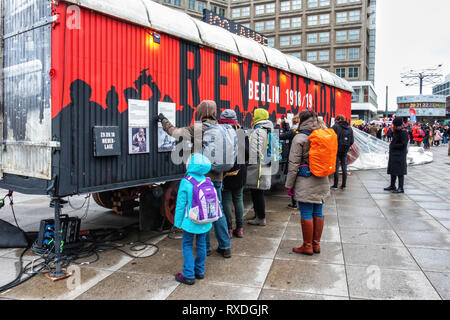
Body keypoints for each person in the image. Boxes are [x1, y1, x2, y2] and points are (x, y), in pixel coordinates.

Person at [157, 100, 232, 258]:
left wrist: (163, 120)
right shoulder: (221, 128)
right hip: (217, 178)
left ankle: (205, 248)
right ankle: (225, 247)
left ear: (200, 112)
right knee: (217, 212)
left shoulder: (199, 128)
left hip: (200, 179)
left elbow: (175, 133)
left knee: (200, 212)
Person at [285, 110, 330, 256]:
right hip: (322, 179)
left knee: (306, 212)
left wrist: (289, 185)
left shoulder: (300, 138)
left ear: (301, 120)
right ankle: (316, 245)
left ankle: (307, 245)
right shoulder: (322, 135)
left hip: (305, 181)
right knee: (318, 211)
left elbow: (293, 164)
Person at [174, 154, 213, 285]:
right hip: (205, 220)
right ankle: (199, 271)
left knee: (187, 245)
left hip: (190, 221)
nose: (186, 162)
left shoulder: (186, 182)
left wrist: (177, 222)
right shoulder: (208, 180)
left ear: (192, 165)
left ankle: (188, 275)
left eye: (188, 160)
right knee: (202, 245)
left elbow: (180, 205)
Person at [219, 109, 248, 238]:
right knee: (238, 199)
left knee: (226, 200)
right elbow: (247, 154)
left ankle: (229, 229)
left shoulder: (219, 132)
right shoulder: (241, 132)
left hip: (225, 172)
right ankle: (240, 228)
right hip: (240, 171)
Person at [246, 108, 273, 227]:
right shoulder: (268, 129)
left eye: (254, 115)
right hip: (266, 163)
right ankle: (258, 214)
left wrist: (248, 160)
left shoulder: (259, 130)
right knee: (258, 190)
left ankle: (261, 218)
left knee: (257, 191)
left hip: (258, 165)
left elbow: (255, 150)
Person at [280, 115, 300, 209]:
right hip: (303, 160)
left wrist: (277, 125)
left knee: (293, 180)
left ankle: (294, 202)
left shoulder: (293, 132)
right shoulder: (304, 132)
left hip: (293, 158)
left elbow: (281, 136)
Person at [384, 118, 408, 194]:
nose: (393, 126)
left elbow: (404, 144)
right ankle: (392, 185)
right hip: (393, 154)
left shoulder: (403, 133)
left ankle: (401, 187)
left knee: (400, 172)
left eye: (394, 125)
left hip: (400, 155)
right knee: (393, 170)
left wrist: (394, 146)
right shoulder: (396, 132)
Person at [331, 115, 354, 190]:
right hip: (345, 149)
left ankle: (335, 185)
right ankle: (344, 185)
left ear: (339, 119)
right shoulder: (349, 128)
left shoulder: (335, 126)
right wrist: (346, 146)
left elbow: (331, 138)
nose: (335, 121)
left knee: (336, 167)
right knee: (344, 167)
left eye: (336, 120)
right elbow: (352, 141)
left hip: (336, 149)